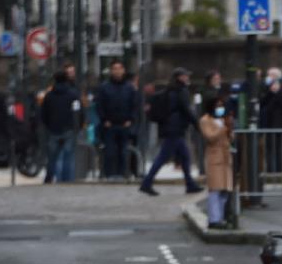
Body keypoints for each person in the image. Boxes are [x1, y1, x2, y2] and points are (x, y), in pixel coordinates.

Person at [140, 67, 203, 196]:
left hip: (171, 128)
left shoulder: (170, 90)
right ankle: (146, 183)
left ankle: (190, 184)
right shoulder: (181, 91)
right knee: (163, 157)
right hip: (175, 129)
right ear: (179, 77)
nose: (188, 78)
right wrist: (198, 125)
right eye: (185, 76)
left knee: (185, 156)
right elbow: (186, 110)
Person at [95, 60, 139, 180]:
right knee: (110, 152)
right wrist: (104, 120)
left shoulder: (129, 87)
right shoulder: (104, 87)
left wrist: (131, 120)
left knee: (124, 152)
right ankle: (110, 174)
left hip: (125, 124)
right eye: (115, 69)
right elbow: (99, 105)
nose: (117, 71)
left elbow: (134, 105)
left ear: (123, 70)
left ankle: (123, 173)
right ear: (111, 70)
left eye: (119, 68)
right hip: (109, 125)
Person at [198, 97, 234, 229]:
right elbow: (210, 137)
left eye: (222, 105)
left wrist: (229, 128)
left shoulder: (223, 120)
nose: (220, 108)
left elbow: (230, 137)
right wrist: (223, 128)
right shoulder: (205, 120)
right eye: (217, 105)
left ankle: (221, 217)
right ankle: (214, 219)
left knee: (225, 189)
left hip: (225, 156)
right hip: (214, 156)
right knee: (215, 189)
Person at [41, 71, 81, 184]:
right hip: (69, 129)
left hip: (53, 129)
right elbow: (77, 112)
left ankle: (50, 178)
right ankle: (67, 180)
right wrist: (76, 126)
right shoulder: (73, 95)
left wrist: (48, 125)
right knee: (68, 156)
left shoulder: (49, 96)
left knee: (52, 157)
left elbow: (43, 113)